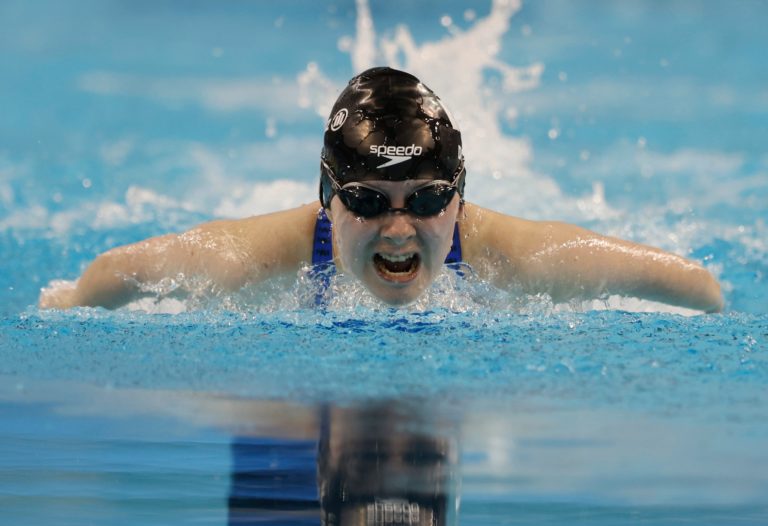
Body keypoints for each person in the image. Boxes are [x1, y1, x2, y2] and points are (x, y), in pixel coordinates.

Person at [38, 67, 724, 312]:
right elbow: (114, 274)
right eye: (368, 201)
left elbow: (696, 286)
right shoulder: (244, 261)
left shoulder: (524, 260)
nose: (399, 229)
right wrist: (71, 300)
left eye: (425, 200)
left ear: (459, 195)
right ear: (326, 197)